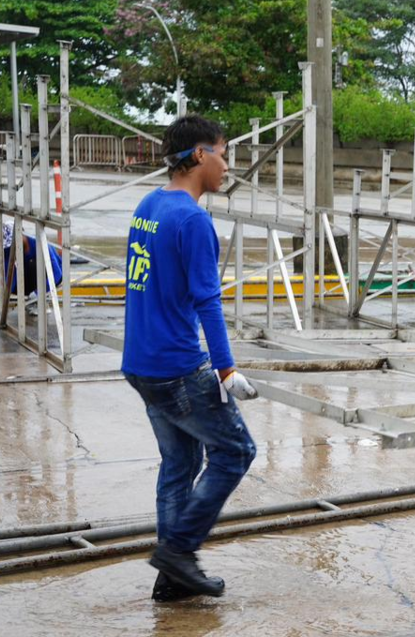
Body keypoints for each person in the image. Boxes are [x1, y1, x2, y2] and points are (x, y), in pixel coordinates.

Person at [121, 115, 259, 600]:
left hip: (140, 363)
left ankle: (172, 579)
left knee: (180, 463)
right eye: (223, 153)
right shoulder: (194, 219)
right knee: (236, 451)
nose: (227, 165)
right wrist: (226, 369)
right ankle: (179, 550)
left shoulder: (148, 205)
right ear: (200, 155)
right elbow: (207, 300)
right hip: (177, 366)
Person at [0, 223, 63, 297]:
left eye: (14, 243)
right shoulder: (8, 249)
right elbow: (7, 272)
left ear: (22, 235)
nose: (12, 247)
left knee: (33, 264)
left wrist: (38, 293)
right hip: (31, 278)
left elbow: (57, 274)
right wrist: (10, 292)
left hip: (52, 276)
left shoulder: (39, 243)